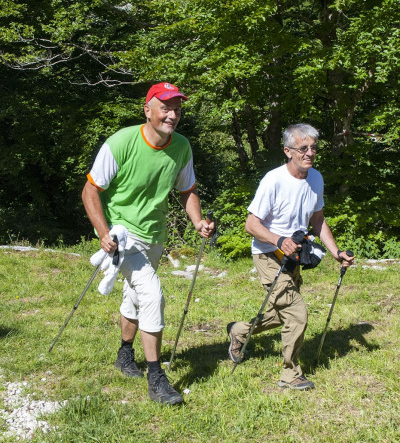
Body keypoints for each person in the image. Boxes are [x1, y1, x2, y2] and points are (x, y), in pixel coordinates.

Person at [82, 82, 214, 405]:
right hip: (123, 237)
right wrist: (103, 231)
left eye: (177, 109)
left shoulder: (181, 147)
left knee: (135, 295)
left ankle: (125, 354)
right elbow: (90, 190)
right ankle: (157, 379)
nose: (172, 115)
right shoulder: (121, 143)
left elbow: (187, 190)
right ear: (148, 109)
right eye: (166, 107)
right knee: (152, 293)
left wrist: (198, 222)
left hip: (155, 237)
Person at [227, 123, 354, 391]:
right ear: (288, 151)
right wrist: (279, 240)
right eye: (303, 148)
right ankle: (290, 374)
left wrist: (336, 252)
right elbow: (251, 224)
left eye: (313, 148)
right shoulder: (273, 180)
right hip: (267, 255)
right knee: (296, 313)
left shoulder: (315, 178)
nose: (309, 153)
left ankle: (238, 331)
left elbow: (318, 219)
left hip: (295, 254)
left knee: (280, 312)